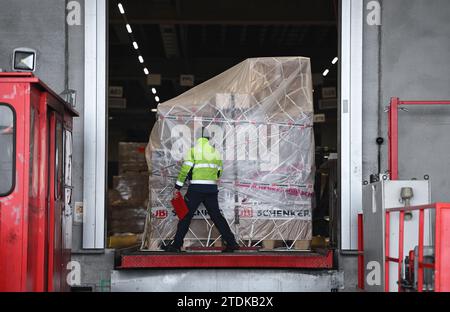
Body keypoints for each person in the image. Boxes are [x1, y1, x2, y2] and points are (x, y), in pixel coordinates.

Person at [162, 129, 239, 253]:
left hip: (196, 189)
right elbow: (219, 171)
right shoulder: (215, 152)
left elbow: (184, 171)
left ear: (197, 138)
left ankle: (176, 245)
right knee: (217, 217)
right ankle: (231, 242)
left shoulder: (193, 151)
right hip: (212, 189)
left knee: (185, 216)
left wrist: (177, 187)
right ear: (209, 138)